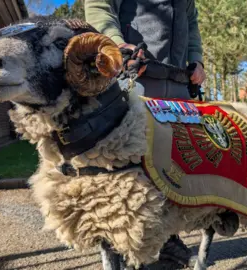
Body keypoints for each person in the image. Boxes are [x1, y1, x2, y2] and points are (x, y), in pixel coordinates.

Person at [85, 0, 206, 267]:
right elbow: (99, 6)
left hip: (178, 87)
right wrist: (115, 44)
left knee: (174, 165)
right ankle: (123, 246)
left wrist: (196, 58)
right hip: (133, 77)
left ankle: (168, 240)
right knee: (129, 172)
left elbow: (192, 23)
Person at [85, 0, 206, 99]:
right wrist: (117, 46)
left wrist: (196, 59)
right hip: (130, 84)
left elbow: (190, 21)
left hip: (181, 92)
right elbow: (99, 7)